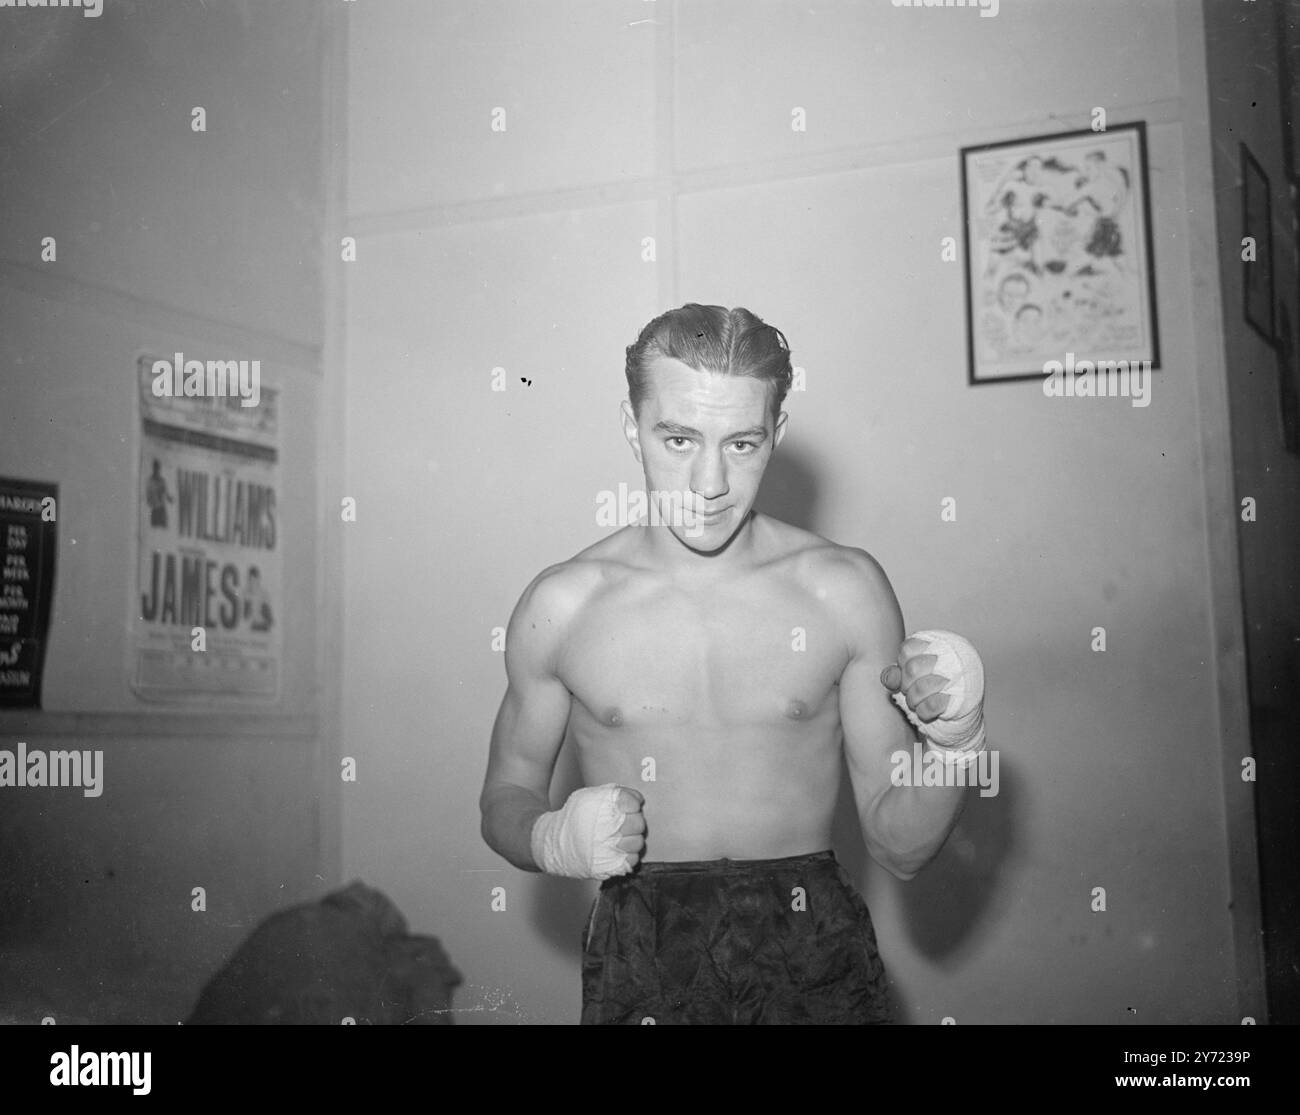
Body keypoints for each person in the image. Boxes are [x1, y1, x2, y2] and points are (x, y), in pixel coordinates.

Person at [479, 304, 988, 1024]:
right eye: (679, 438)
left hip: (816, 947)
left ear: (776, 433)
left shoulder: (843, 590)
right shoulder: (562, 606)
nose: (709, 481)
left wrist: (957, 743)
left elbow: (901, 846)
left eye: (742, 442)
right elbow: (503, 797)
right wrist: (551, 836)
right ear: (631, 424)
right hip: (643, 948)